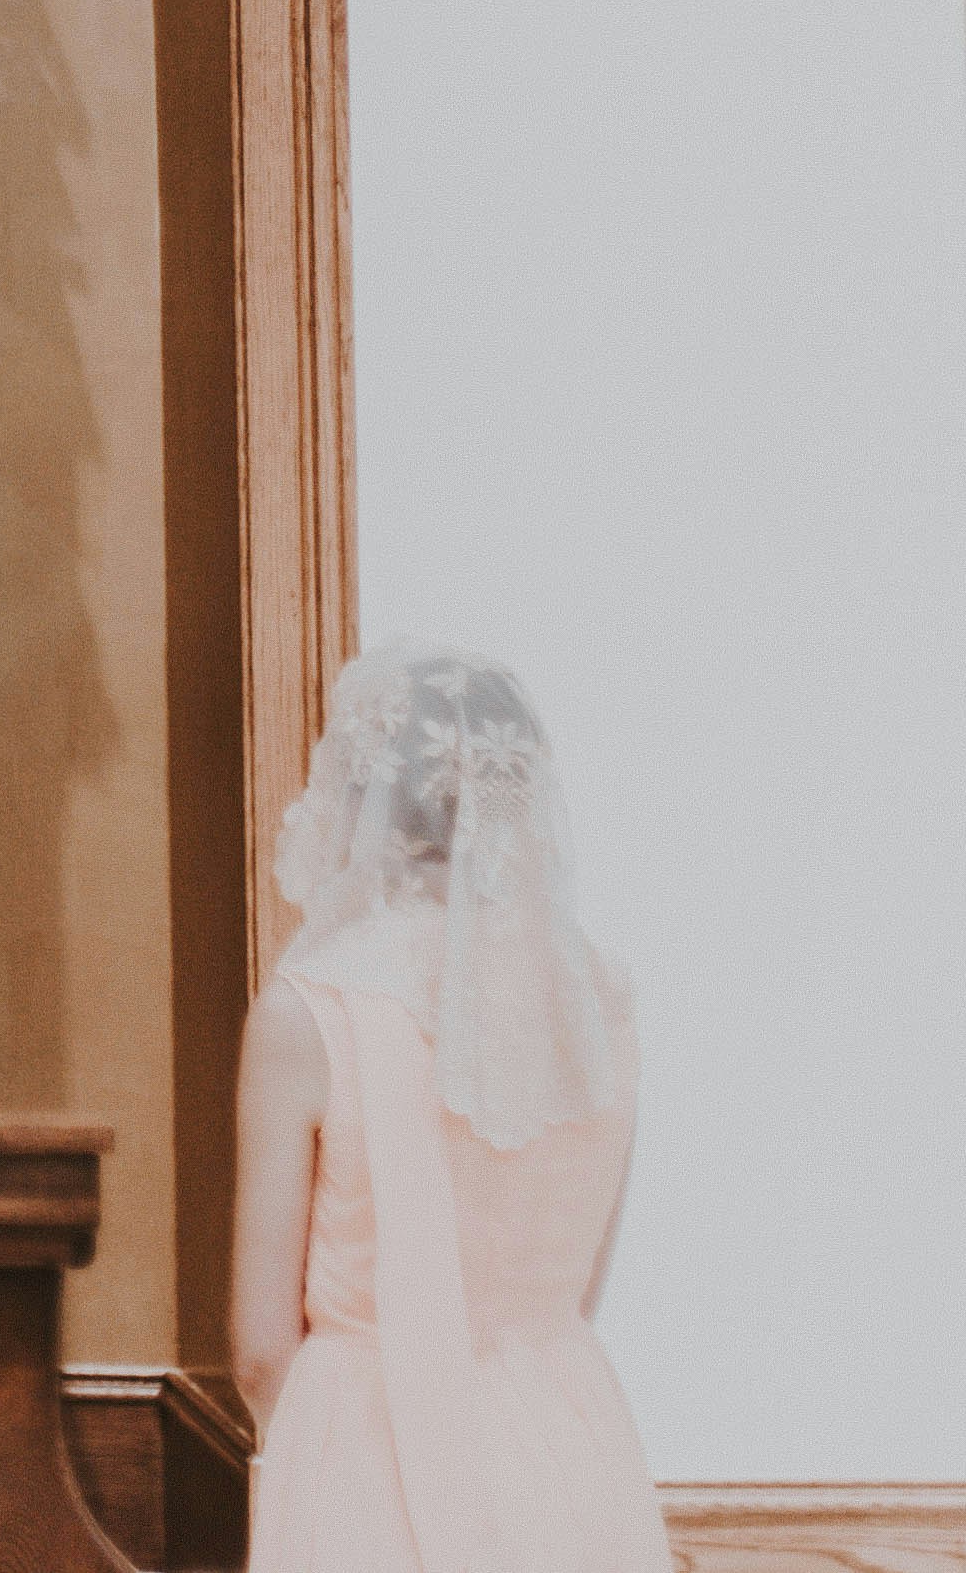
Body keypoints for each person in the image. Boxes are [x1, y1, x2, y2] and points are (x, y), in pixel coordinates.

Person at [234, 649, 669, 1573]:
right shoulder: (601, 1001)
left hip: (367, 1447)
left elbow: (259, 1347)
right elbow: (579, 1281)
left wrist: (322, 1458)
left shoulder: (311, 1009)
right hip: (568, 1440)